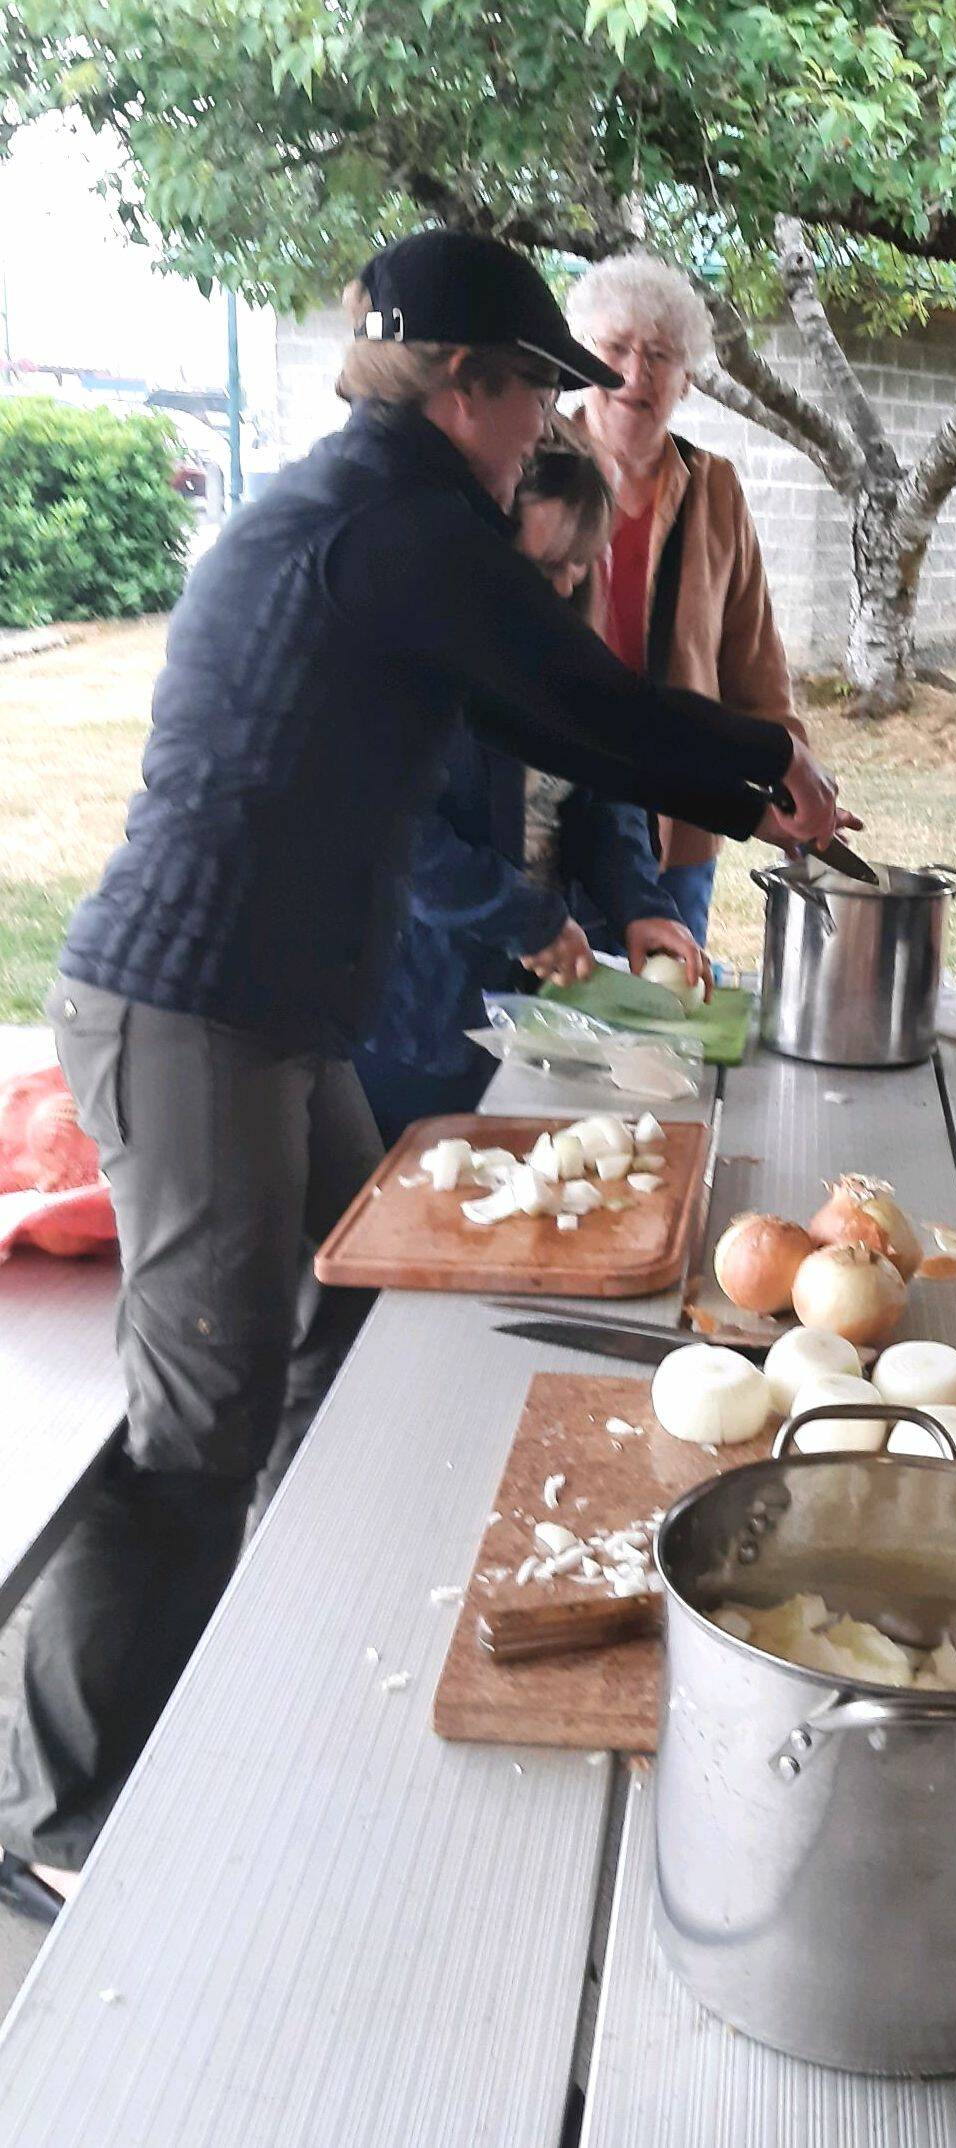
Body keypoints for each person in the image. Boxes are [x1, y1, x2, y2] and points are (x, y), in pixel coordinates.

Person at [0, 229, 846, 1925]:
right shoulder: (399, 519)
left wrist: (725, 779)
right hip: (192, 1011)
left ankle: (280, 1646)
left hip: (267, 1011)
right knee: (196, 1411)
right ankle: (53, 1792)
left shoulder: (371, 505)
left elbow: (557, 724)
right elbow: (575, 700)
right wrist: (766, 767)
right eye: (537, 382)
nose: (549, 416)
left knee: (341, 1313)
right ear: (466, 383)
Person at [354, 433, 704, 1144]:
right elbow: (401, 841)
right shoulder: (417, 673)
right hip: (421, 1013)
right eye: (546, 566)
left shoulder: (567, 664)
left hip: (540, 1006)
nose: (570, 587)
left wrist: (639, 905)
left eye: (582, 563)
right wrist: (525, 917)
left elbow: (606, 803)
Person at [564, 254, 802, 943]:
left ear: (688, 380)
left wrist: (790, 775)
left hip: (683, 822)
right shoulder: (536, 466)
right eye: (615, 350)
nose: (635, 375)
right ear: (582, 356)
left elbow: (754, 663)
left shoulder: (714, 488)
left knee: (666, 1021)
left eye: (661, 356)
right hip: (552, 820)